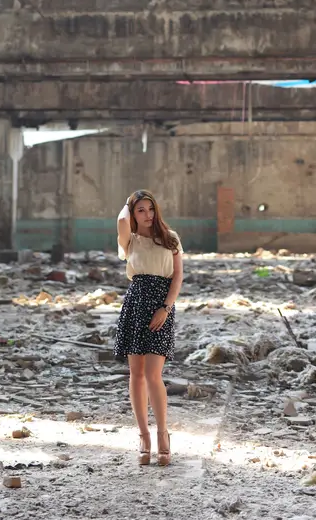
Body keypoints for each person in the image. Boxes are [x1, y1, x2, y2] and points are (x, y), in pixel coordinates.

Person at [114, 189, 184, 467]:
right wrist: (128, 202)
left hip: (161, 305)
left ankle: (163, 434)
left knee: (154, 374)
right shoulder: (129, 240)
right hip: (136, 303)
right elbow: (121, 221)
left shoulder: (171, 238)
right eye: (140, 210)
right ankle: (143, 436)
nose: (147, 215)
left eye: (151, 209)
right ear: (133, 213)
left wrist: (165, 308)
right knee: (137, 373)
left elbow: (177, 277)